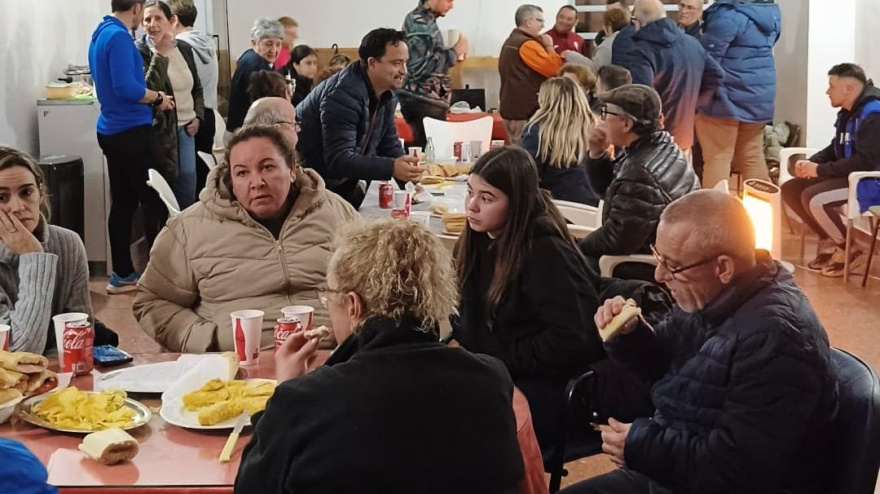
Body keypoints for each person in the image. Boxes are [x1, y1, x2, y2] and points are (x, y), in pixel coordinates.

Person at [560, 190, 838, 494]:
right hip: (676, 470)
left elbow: (738, 470)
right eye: (658, 257)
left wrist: (640, 444)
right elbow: (662, 363)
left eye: (672, 265)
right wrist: (630, 335)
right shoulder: (712, 296)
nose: (659, 274)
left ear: (722, 267)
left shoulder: (778, 339)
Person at [235, 219, 524, 493]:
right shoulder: (491, 380)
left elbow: (252, 486)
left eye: (328, 296)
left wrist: (284, 390)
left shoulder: (303, 402)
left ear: (353, 305)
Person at [133, 125, 358, 353]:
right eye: (242, 173)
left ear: (292, 169)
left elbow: (374, 284)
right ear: (230, 179)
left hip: (333, 358)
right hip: (235, 367)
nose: (257, 182)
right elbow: (152, 300)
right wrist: (205, 340)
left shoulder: (335, 211)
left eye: (268, 167)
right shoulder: (189, 228)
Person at [450, 145, 605, 448]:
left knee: (453, 420)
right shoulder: (480, 239)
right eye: (470, 192)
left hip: (546, 387)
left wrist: (495, 360)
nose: (472, 206)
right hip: (495, 371)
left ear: (517, 203)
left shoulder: (545, 252)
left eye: (487, 198)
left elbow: (571, 341)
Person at [89, 0, 172, 294]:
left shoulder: (100, 33)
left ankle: (122, 273)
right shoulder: (119, 37)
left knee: (123, 202)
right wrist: (158, 97)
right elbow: (128, 88)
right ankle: (160, 274)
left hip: (112, 128)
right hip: (130, 131)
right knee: (157, 199)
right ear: (136, 8)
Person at [580, 84, 698, 281]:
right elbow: (608, 190)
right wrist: (597, 153)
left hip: (649, 268)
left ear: (626, 124)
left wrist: (574, 244)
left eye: (606, 113)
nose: (601, 120)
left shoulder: (640, 172)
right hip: (662, 251)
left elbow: (616, 240)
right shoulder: (661, 145)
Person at [296, 28, 422, 207]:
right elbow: (338, 159)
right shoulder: (342, 94)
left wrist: (410, 180)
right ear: (372, 63)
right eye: (396, 63)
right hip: (313, 188)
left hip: (340, 184)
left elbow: (389, 145)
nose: (404, 70)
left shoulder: (386, 92)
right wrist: (392, 167)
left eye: (405, 63)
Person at [781, 63, 880, 277]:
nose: (827, 91)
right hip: (851, 175)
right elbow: (837, 147)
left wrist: (820, 170)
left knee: (814, 197)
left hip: (869, 180)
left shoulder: (874, 114)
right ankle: (830, 240)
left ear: (848, 89)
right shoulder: (849, 112)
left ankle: (850, 250)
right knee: (791, 189)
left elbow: (866, 161)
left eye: (831, 86)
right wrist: (812, 164)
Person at [0, 148, 92, 354]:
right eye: (1, 197)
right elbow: (19, 353)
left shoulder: (68, 243)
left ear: (40, 193)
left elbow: (79, 338)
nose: (18, 207)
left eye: (26, 192)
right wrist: (35, 259)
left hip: (55, 375)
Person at [614, 0, 723, 153]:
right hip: (683, 137)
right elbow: (716, 76)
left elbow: (642, 97)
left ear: (637, 22)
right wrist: (693, 104)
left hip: (654, 142)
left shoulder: (642, 51)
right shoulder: (692, 43)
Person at [695, 0, 780, 188]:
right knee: (752, 156)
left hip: (726, 98)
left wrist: (699, 95)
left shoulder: (728, 15)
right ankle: (762, 212)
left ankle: (716, 215)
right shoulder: (770, 13)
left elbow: (707, 60)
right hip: (759, 96)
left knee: (718, 156)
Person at [137, 0, 205, 210]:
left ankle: (188, 237)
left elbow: (197, 87)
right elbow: (148, 89)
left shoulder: (184, 48)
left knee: (187, 189)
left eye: (158, 18)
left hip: (187, 129)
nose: (152, 24)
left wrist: (198, 116)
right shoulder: (140, 50)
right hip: (159, 132)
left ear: (172, 21)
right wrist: (160, 54)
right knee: (162, 195)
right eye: (147, 19)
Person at [398, 0, 467, 149]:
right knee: (430, 155)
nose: (452, 5)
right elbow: (420, 66)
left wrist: (450, 58)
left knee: (433, 153)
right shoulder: (419, 23)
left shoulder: (427, 22)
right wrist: (454, 53)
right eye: (448, 0)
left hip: (428, 102)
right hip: (423, 102)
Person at [521, 77, 599, 206]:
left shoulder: (538, 130)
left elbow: (525, 172)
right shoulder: (596, 126)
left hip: (558, 206)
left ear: (545, 100)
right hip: (595, 204)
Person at [168, 0, 218, 193]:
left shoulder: (181, 46)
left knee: (188, 183)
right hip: (209, 115)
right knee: (203, 179)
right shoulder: (208, 43)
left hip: (191, 118)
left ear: (174, 20)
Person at [499, 5, 563, 144]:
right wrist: (549, 46)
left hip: (511, 110)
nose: (543, 25)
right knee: (525, 160)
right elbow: (554, 69)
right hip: (525, 113)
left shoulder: (511, 42)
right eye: (539, 20)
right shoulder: (527, 45)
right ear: (528, 22)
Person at [227, 18, 284, 133]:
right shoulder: (256, 66)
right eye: (268, 44)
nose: (274, 50)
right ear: (254, 43)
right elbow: (267, 106)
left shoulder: (251, 57)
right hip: (246, 133)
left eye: (278, 44)